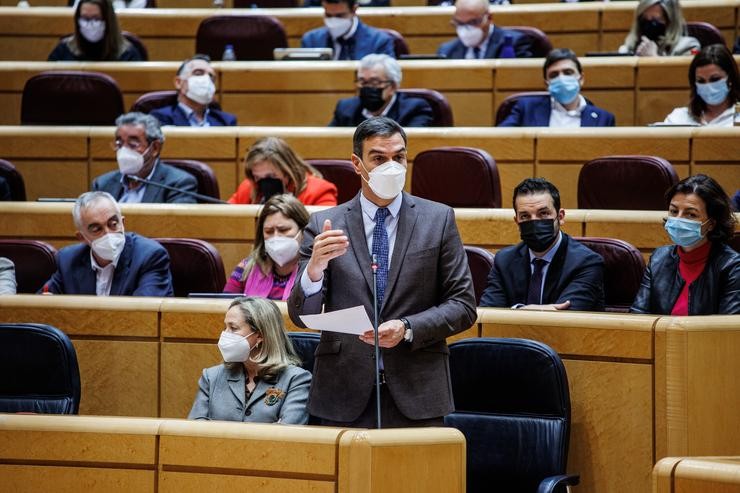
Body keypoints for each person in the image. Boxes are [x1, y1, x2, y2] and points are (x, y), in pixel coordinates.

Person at [288, 117, 477, 428]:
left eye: (398, 157)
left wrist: (407, 327)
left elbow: (463, 305)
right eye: (378, 158)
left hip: (418, 387)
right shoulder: (325, 223)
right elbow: (301, 316)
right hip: (343, 389)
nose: (392, 166)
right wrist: (314, 269)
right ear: (357, 164)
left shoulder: (438, 219)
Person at [480, 178, 605, 311]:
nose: (534, 222)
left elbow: (566, 318)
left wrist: (516, 311)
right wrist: (526, 310)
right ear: (516, 221)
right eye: (525, 216)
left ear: (560, 217)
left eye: (543, 213)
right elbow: (489, 313)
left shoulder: (586, 263)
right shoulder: (504, 261)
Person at [188, 296, 311, 424]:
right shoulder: (211, 377)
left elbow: (288, 437)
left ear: (260, 336)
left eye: (233, 328)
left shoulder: (296, 380)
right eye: (225, 327)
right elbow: (194, 432)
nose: (225, 334)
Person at [631, 175, 739, 315]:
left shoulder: (732, 267)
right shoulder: (659, 258)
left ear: (711, 224)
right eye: (674, 211)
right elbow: (637, 317)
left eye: (691, 215)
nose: (678, 220)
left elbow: (726, 331)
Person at [42, 191, 174, 296]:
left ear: (123, 223)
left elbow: (143, 315)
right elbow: (43, 306)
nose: (108, 233)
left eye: (113, 224)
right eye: (97, 229)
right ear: (81, 237)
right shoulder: (68, 260)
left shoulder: (150, 257)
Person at [92, 112, 198, 203]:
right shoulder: (102, 184)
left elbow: (176, 225)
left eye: (133, 144)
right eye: (119, 143)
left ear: (155, 148)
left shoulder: (178, 184)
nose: (124, 150)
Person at [498, 48, 616, 127]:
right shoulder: (525, 108)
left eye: (568, 72)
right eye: (554, 75)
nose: (561, 78)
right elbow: (501, 140)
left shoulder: (604, 118)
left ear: (581, 79)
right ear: (547, 84)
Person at [224, 194, 309, 299]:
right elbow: (225, 307)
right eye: (269, 231)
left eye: (283, 230)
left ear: (303, 231)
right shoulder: (246, 268)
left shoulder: (315, 272)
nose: (276, 236)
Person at [329, 54, 434, 128]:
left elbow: (414, 145)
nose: (367, 88)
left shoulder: (414, 110)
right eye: (362, 82)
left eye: (375, 83)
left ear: (393, 86)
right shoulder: (345, 108)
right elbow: (327, 143)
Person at [228, 137, 338, 206]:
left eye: (271, 176)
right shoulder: (249, 187)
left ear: (288, 171)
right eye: (258, 177)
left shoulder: (319, 192)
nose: (264, 183)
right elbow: (227, 218)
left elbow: (327, 229)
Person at [662, 44, 740, 127]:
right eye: (701, 81)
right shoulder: (677, 118)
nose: (708, 85)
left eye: (715, 79)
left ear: (730, 79)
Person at [150, 55, 237, 127]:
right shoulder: (160, 118)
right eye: (198, 73)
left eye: (211, 77)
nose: (206, 79)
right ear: (179, 82)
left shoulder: (226, 121)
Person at [48, 0, 144, 61]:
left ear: (108, 21)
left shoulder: (128, 55)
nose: (90, 24)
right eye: (85, 18)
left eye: (96, 19)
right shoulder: (63, 50)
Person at [301, 0, 395, 61]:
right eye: (329, 15)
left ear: (354, 10)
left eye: (339, 16)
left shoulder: (379, 41)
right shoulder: (311, 40)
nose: (333, 21)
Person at [437, 0, 532, 59]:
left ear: (489, 18)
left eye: (473, 22)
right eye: (460, 23)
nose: (466, 29)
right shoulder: (446, 51)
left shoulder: (515, 44)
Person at [618, 0, 699, 57]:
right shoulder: (627, 49)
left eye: (655, 20)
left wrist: (654, 59)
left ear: (670, 21)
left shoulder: (690, 47)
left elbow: (687, 77)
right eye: (644, 19)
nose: (648, 24)